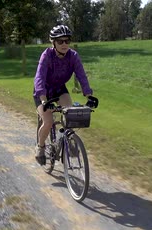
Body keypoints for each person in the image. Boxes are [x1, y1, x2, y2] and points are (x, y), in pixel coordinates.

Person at [33, 24, 94, 165]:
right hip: (42, 91)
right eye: (60, 41)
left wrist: (88, 95)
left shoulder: (73, 56)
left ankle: (69, 140)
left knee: (70, 114)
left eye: (67, 41)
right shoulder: (47, 55)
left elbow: (82, 76)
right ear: (53, 42)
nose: (64, 44)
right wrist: (43, 100)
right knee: (48, 122)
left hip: (59, 89)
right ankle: (40, 147)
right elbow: (39, 78)